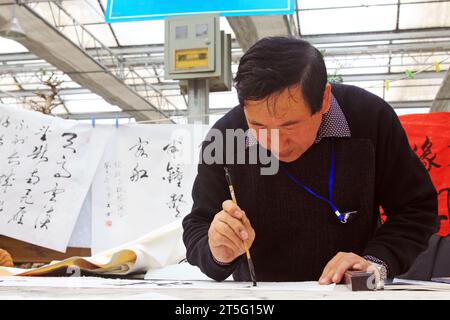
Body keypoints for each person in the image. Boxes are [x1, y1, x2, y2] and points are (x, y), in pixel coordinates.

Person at [182, 37, 438, 284]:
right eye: (258, 126)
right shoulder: (226, 139)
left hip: (349, 294)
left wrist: (374, 261)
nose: (276, 144)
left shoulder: (369, 119)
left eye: (290, 125)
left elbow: (415, 209)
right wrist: (218, 251)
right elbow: (198, 225)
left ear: (324, 99)